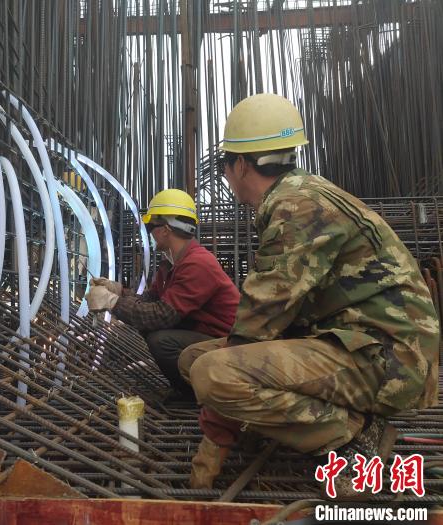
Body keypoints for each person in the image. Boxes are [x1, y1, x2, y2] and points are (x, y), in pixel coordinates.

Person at [178, 93, 440, 499]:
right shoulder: (302, 192)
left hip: (387, 360)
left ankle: (354, 437)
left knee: (212, 374)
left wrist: (217, 431)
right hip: (359, 342)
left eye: (227, 169)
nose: (228, 179)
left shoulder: (295, 206)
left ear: (242, 165)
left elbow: (260, 320)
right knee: (194, 359)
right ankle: (315, 424)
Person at [85, 189, 240, 401]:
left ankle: (193, 396)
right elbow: (152, 299)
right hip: (205, 335)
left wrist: (113, 303)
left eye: (151, 226)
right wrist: (118, 290)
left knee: (161, 339)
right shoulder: (172, 263)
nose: (149, 232)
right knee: (153, 331)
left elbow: (160, 315)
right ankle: (186, 388)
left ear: (166, 230)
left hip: (228, 345)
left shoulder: (197, 264)